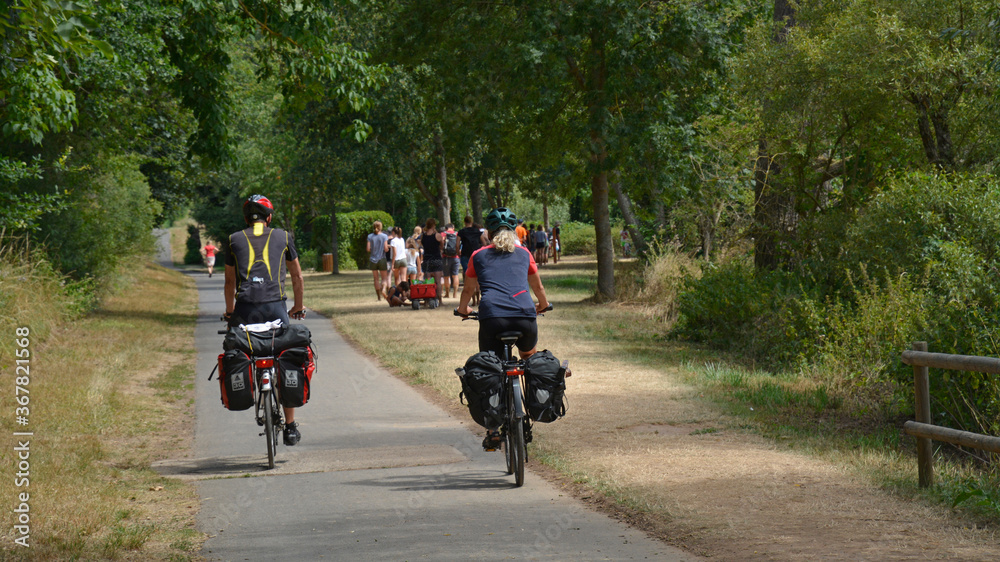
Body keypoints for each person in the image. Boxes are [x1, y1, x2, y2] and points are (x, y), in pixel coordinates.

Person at [457, 207, 551, 450]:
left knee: (492, 367)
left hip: (492, 319)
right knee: (529, 359)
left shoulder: (478, 255)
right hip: (524, 317)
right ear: (513, 231)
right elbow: (538, 287)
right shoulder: (525, 253)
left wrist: (463, 310)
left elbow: (468, 291)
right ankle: (531, 404)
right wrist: (543, 306)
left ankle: (492, 430)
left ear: (488, 232)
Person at [224, 194, 306, 446]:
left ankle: (251, 388)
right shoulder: (283, 237)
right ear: (269, 218)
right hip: (276, 312)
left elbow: (229, 282)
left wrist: (230, 312)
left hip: (245, 313)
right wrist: (298, 307)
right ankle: (290, 426)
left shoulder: (233, 239)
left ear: (246, 218)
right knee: (286, 357)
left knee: (245, 354)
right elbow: (297, 277)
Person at [420, 218, 445, 305]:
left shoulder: (423, 235)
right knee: (438, 281)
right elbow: (442, 246)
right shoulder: (438, 235)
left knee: (428, 281)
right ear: (434, 225)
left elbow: (423, 245)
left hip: (427, 260)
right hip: (436, 259)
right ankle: (440, 300)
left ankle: (427, 300)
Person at [367, 221, 390, 300]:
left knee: (376, 278)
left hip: (373, 259)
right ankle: (384, 289)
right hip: (382, 259)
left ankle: (379, 296)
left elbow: (367, 249)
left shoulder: (370, 236)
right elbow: (386, 249)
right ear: (381, 227)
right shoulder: (384, 236)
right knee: (384, 278)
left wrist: (373, 250)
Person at [441, 222, 461, 299]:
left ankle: (447, 294)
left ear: (446, 228)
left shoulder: (443, 233)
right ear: (453, 228)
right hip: (456, 257)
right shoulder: (457, 233)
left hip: (446, 257)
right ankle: (455, 294)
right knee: (455, 275)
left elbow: (442, 242)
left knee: (446, 276)